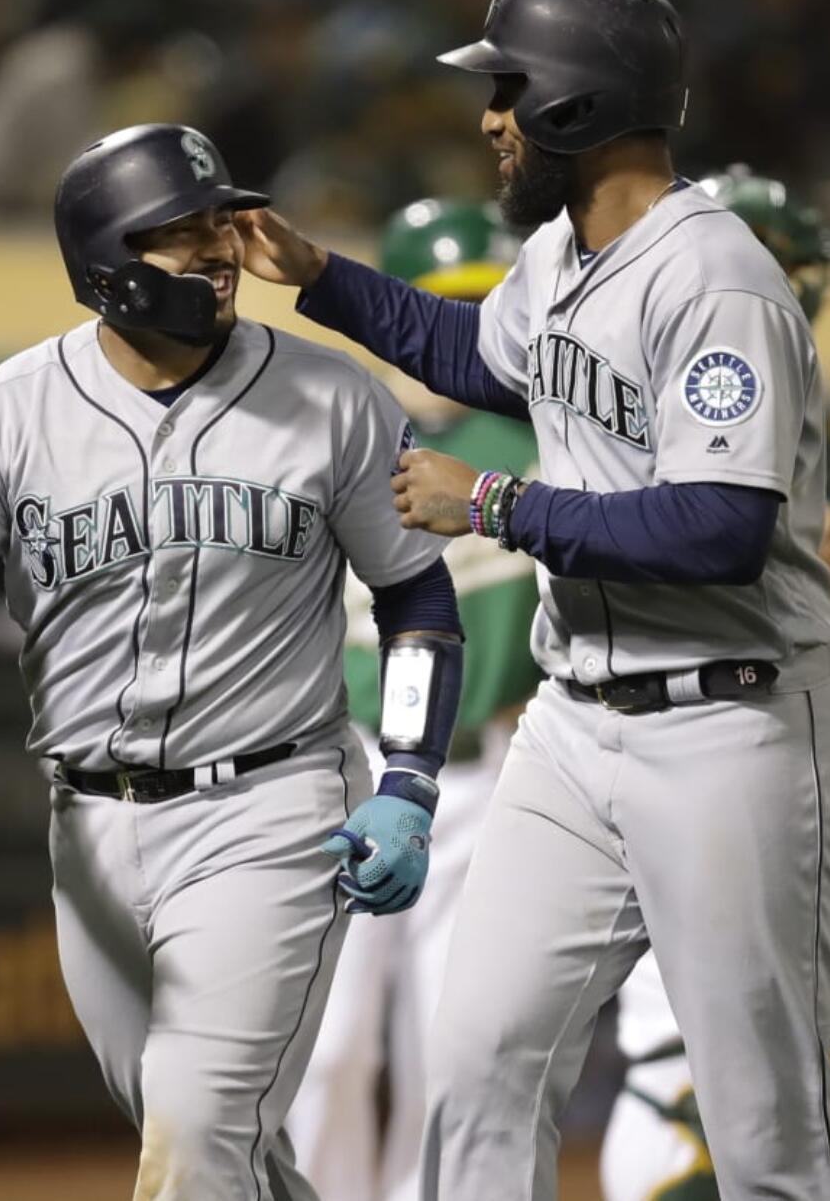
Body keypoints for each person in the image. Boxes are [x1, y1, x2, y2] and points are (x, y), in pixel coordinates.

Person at [240, 0, 830, 1200]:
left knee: (765, 1128)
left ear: (580, 104)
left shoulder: (715, 280)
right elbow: (464, 351)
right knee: (476, 1065)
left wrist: (492, 505)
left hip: (731, 725)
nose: (489, 118)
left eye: (509, 91)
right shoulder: (562, 252)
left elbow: (718, 529)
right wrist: (317, 273)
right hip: (576, 726)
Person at [0, 122, 465, 1201]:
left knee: (197, 1125)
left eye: (220, 221)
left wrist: (405, 777)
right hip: (90, 829)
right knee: (226, 1152)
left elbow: (414, 597)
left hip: (273, 805)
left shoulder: (334, 397)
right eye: (179, 232)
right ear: (105, 264)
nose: (218, 250)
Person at [600, 165, 830, 1201]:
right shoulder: (666, 350)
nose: (807, 281)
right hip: (644, 707)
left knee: (804, 1026)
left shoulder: (785, 374)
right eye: (792, 259)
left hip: (764, 711)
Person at [287, 199, 541, 1201]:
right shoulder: (328, 430)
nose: (468, 336)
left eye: (486, 309)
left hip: (487, 776)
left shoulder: (535, 439)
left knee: (452, 1042)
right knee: (327, 1041)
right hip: (336, 766)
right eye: (447, 310)